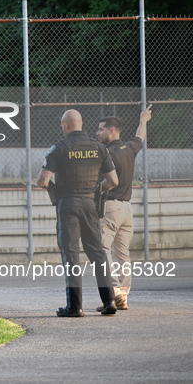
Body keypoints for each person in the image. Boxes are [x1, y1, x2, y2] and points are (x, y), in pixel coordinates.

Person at [37, 109, 119, 317]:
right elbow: (113, 182)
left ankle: (75, 306)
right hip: (91, 204)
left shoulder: (58, 149)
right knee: (98, 253)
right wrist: (97, 189)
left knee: (71, 255)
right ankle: (109, 301)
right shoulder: (99, 148)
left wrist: (51, 188)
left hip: (68, 205)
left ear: (65, 125)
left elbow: (43, 180)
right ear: (81, 124)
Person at [95, 105, 153, 311]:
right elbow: (140, 136)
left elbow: (110, 182)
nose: (97, 132)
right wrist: (143, 120)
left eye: (101, 129)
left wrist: (97, 191)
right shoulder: (129, 148)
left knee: (102, 250)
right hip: (127, 210)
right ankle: (122, 295)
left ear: (112, 130)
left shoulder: (105, 152)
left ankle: (113, 293)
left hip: (110, 207)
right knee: (122, 253)